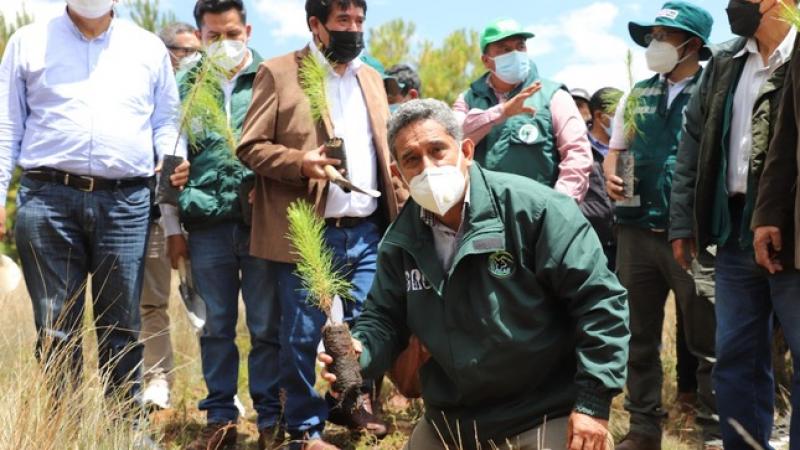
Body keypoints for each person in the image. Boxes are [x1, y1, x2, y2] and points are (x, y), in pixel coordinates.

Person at [318, 98, 629, 450]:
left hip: (543, 411)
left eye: (438, 150)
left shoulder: (536, 211)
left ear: (466, 150)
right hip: (452, 419)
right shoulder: (400, 242)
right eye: (411, 159)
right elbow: (383, 319)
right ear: (397, 173)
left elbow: (600, 302)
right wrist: (361, 353)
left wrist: (592, 403)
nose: (428, 167)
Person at [236, 0, 400, 447]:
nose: (353, 29)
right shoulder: (280, 71)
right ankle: (304, 430)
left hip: (366, 226)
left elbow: (383, 151)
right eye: (342, 21)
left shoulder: (370, 77)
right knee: (303, 334)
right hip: (311, 229)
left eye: (359, 21)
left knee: (367, 326)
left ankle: (351, 405)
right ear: (316, 24)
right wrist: (300, 162)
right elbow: (250, 146)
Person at [670, 0, 800, 447]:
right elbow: (692, 144)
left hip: (794, 229)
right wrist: (683, 221)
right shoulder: (724, 62)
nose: (732, 5)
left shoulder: (798, 52)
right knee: (736, 358)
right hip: (733, 230)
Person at [602, 3, 717, 449]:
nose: (655, 45)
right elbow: (616, 148)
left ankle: (713, 429)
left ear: (692, 44)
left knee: (707, 339)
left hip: (692, 236)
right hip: (635, 234)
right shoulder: (637, 94)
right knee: (638, 336)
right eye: (652, 36)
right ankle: (644, 428)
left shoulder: (712, 90)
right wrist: (611, 174)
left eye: (664, 36)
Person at [175, 1, 281, 449]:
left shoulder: (273, 79)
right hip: (206, 226)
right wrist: (171, 226)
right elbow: (170, 154)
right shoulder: (184, 84)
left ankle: (271, 420)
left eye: (232, 33)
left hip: (261, 224)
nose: (224, 43)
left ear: (248, 30)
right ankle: (220, 420)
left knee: (265, 325)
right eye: (213, 35)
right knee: (215, 326)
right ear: (199, 36)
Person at [453, 18, 592, 202]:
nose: (516, 54)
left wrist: (559, 205)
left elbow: (577, 154)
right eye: (505, 49)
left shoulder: (553, 95)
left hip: (537, 214)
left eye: (520, 46)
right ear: (486, 61)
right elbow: (454, 140)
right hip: (483, 216)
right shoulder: (468, 99)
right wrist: (500, 113)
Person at [137, 20, 201, 411]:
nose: (192, 60)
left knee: (208, 305)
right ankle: (156, 378)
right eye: (183, 51)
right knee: (151, 302)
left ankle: (220, 386)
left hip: (203, 221)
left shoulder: (209, 104)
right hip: (156, 219)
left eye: (198, 52)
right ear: (165, 54)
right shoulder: (150, 101)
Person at [579, 87, 619, 269]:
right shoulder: (576, 147)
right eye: (618, 115)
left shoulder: (629, 146)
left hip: (625, 240)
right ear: (600, 116)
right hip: (590, 242)